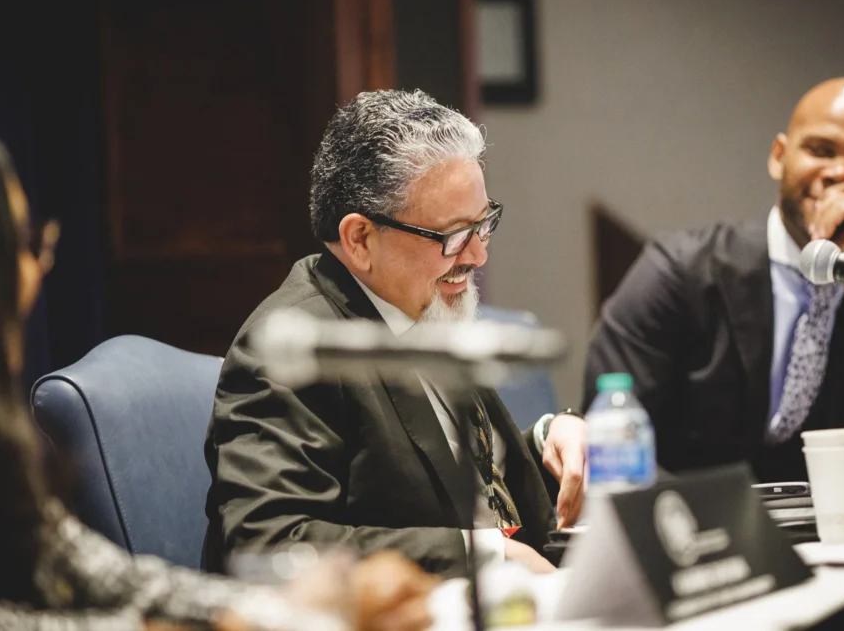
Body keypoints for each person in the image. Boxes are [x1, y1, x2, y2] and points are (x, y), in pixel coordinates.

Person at [0, 122, 437, 631]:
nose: (37, 267)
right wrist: (266, 621)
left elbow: (113, 580)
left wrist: (298, 607)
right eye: (20, 242)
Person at [204, 89, 587, 578]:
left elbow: (457, 474)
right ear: (361, 238)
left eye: (483, 224)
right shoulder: (295, 351)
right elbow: (269, 540)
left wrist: (549, 437)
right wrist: (482, 558)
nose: (477, 256)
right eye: (452, 236)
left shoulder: (423, 306)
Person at [583, 77, 844, 483]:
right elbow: (609, 437)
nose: (840, 173)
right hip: (695, 529)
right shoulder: (679, 271)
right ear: (779, 156)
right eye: (820, 150)